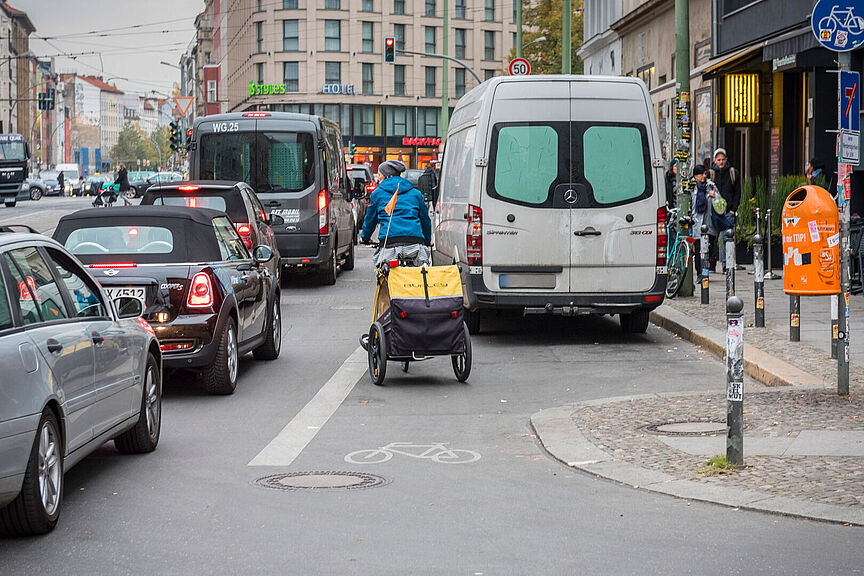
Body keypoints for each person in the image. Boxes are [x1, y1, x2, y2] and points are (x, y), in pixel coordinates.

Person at [360, 160, 432, 267]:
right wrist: (427, 240)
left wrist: (365, 238)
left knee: (384, 273)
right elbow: (425, 220)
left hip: (389, 243)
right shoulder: (416, 194)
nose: (378, 179)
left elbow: (370, 220)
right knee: (419, 275)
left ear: (386, 176)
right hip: (415, 243)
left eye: (379, 175)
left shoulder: (377, 194)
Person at [708, 148, 740, 272]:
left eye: (723, 160)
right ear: (715, 161)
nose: (721, 162)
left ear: (726, 160)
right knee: (713, 239)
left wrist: (733, 209)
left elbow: (738, 192)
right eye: (718, 160)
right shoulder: (710, 174)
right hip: (714, 213)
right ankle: (712, 264)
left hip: (728, 212)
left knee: (728, 239)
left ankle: (727, 265)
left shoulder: (733, 173)